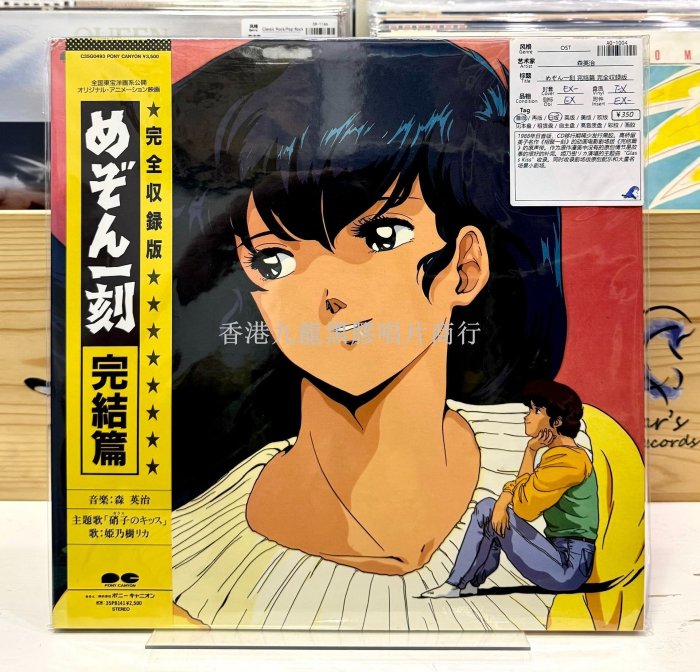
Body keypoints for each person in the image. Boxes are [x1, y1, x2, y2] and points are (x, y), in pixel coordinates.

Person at [168, 40, 644, 630]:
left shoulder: (594, 453)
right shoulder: (184, 567)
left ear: (465, 266)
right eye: (274, 261)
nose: (329, 294)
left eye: (381, 237)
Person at [421, 381, 598, 599]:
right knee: (494, 511)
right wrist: (505, 498)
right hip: (559, 554)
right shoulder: (561, 456)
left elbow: (524, 508)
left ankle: (457, 583)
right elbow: (523, 491)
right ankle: (468, 583)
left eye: (535, 411)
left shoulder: (569, 461)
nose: (527, 416)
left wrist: (530, 453)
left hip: (568, 566)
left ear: (557, 422)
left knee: (488, 509)